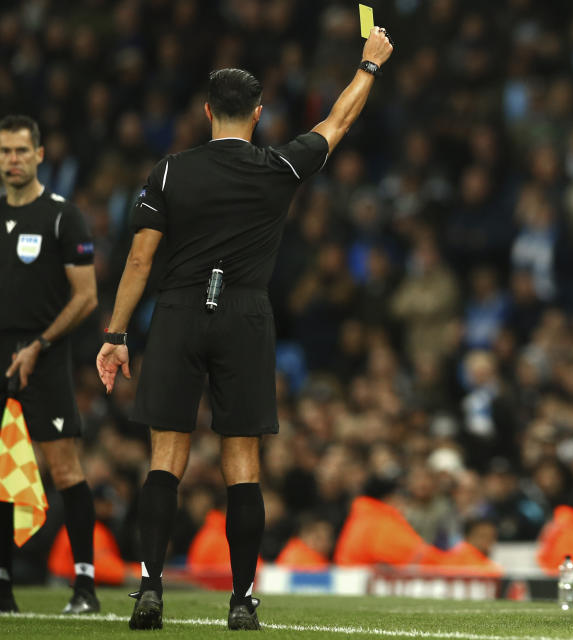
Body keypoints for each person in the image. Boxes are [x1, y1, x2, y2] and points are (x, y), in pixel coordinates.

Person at [95, 29, 394, 631]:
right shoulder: (277, 167)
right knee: (242, 463)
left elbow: (136, 260)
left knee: (165, 458)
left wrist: (116, 334)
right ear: (258, 114)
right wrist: (368, 63)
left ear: (207, 111)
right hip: (245, 314)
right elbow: (337, 123)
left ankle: (151, 588)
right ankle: (240, 601)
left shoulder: (170, 172)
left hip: (178, 312)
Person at [0, 114, 99, 614]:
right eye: (4, 152)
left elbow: (86, 297)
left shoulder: (62, 216)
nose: (11, 160)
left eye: (20, 151)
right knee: (0, 470)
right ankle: (2, 587)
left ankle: (84, 585)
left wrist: (39, 343)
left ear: (39, 155)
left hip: (46, 353)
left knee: (63, 467)